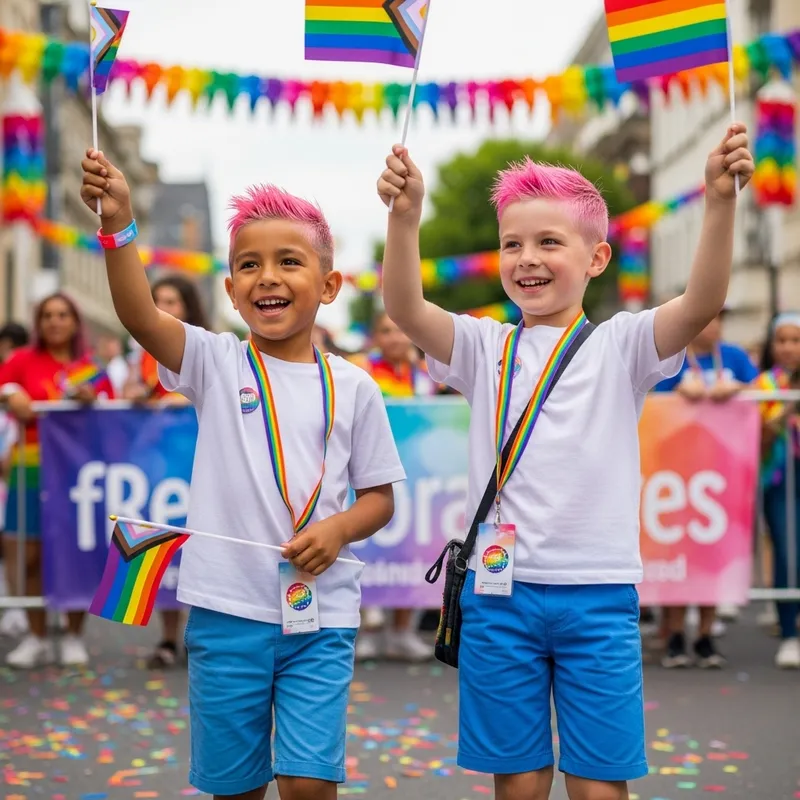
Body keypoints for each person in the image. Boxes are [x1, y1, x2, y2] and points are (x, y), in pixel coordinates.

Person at [376, 125, 753, 800]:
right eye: (512, 244)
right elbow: (405, 306)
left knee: (599, 786)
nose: (528, 258)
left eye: (550, 242)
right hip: (498, 598)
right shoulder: (478, 344)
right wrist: (406, 221)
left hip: (599, 596)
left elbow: (701, 301)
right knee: (518, 784)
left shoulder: (624, 344)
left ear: (597, 257)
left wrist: (720, 201)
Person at [81, 148, 405, 800]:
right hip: (226, 612)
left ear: (330, 284)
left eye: (290, 262)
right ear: (229, 291)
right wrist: (117, 221)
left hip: (324, 616)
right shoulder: (214, 362)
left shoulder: (356, 387)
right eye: (249, 265)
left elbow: (380, 498)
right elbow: (139, 316)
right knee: (236, 789)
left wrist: (339, 530)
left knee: (309, 784)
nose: (268, 277)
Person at [0, 293, 115, 668]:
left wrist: (91, 400)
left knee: (75, 551)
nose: (54, 321)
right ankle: (35, 637)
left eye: (63, 314)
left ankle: (72, 635)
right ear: (39, 321)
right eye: (47, 315)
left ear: (74, 321)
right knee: (29, 555)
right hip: (29, 466)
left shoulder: (90, 368)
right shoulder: (21, 361)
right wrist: (11, 394)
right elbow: (4, 385)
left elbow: (111, 412)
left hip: (75, 472)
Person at [652, 309, 758, 669]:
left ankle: (706, 636)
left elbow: (765, 391)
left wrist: (742, 389)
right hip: (678, 474)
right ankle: (677, 634)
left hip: (723, 474)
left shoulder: (735, 357)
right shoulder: (672, 356)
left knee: (714, 553)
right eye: (706, 318)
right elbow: (651, 399)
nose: (711, 326)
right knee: (679, 555)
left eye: (717, 320)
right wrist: (677, 389)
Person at [124, 274, 211, 670]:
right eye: (156, 300)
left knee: (202, 548)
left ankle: (203, 637)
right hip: (157, 470)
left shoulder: (204, 351)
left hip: (198, 466)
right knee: (163, 546)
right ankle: (168, 638)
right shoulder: (141, 356)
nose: (162, 308)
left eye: (171, 302)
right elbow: (128, 392)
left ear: (189, 308)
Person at [356, 311, 437, 662]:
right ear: (375, 336)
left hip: (416, 473)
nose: (394, 338)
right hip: (371, 473)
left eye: (401, 330)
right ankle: (367, 630)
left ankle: (402, 630)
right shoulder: (361, 370)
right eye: (386, 331)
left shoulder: (425, 373)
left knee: (409, 549)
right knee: (367, 548)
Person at [754, 312, 800, 669]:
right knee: (786, 552)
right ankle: (789, 633)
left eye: (795, 340)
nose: (787, 347)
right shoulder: (765, 385)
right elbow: (759, 441)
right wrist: (786, 411)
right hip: (780, 480)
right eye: (781, 340)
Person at [0, 322, 29, 637]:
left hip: (32, 465)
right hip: (17, 471)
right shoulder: (15, 370)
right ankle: (18, 606)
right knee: (14, 543)